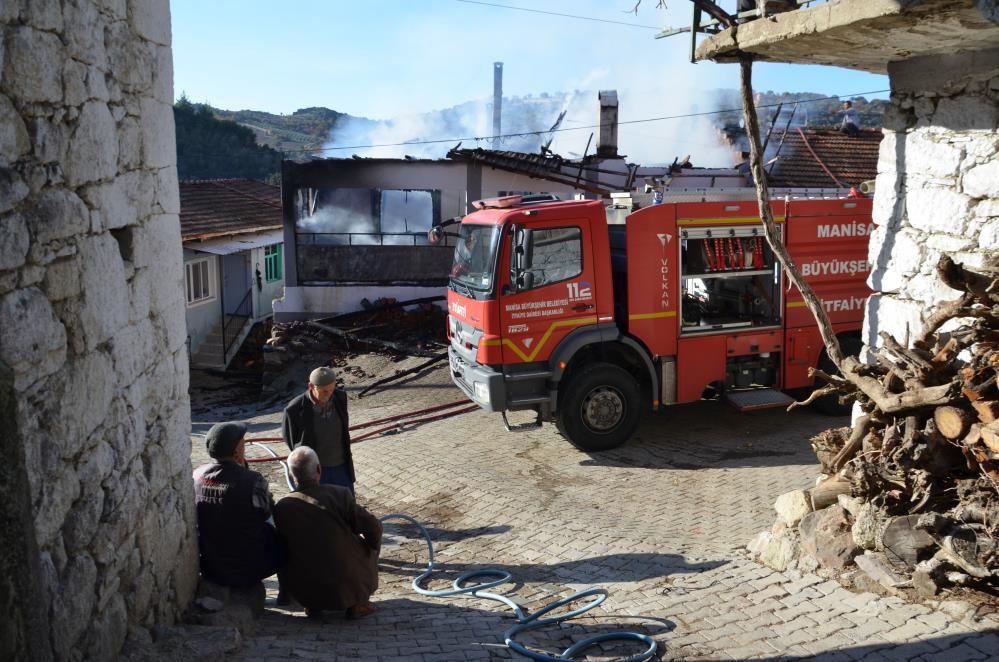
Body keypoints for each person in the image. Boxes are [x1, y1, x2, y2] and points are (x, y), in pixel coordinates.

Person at [273, 446, 382, 619]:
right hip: (346, 579)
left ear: (292, 476)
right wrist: (372, 549)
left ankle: (314, 605)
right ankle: (356, 602)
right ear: (318, 469)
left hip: (305, 586)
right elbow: (373, 527)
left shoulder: (281, 507)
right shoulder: (339, 495)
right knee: (358, 551)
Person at [193, 421, 284, 587]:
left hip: (210, 562)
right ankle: (286, 592)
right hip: (246, 564)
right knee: (283, 524)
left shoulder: (197, 475)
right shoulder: (253, 480)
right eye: (243, 443)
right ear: (236, 452)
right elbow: (267, 512)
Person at [282, 366, 356, 494]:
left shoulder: (340, 398)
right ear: (311, 386)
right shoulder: (294, 409)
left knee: (347, 504)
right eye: (324, 391)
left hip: (341, 467)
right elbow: (291, 440)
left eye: (331, 390)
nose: (328, 395)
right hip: (316, 472)